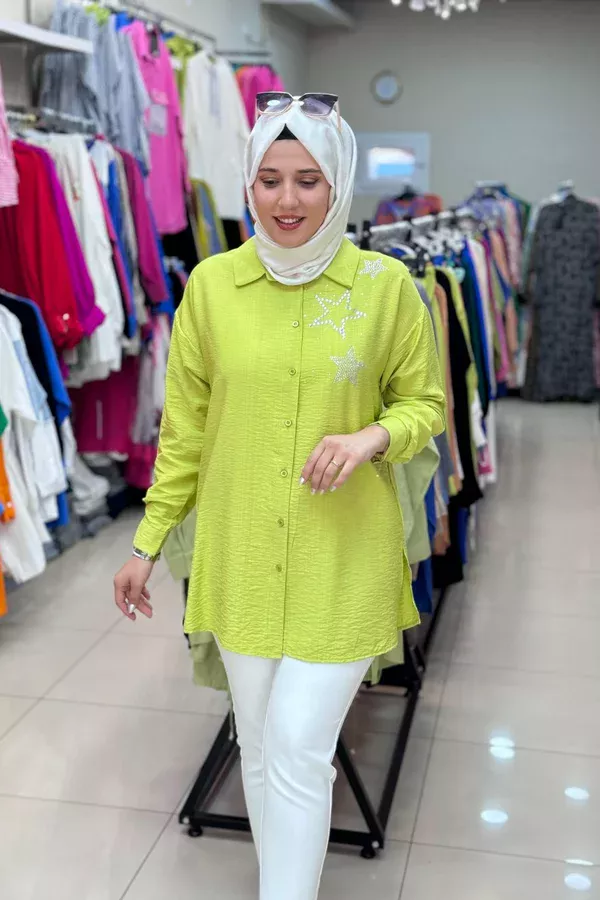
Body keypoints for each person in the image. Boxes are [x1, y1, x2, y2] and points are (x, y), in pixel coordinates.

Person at [114, 91, 445, 900]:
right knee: (260, 746)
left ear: (338, 184)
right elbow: (185, 431)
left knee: (297, 744)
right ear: (248, 184)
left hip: (345, 555)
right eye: (269, 180)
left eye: (307, 180)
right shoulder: (212, 286)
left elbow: (426, 405)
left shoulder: (385, 286)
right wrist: (148, 543)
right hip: (241, 554)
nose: (286, 200)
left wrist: (372, 437)